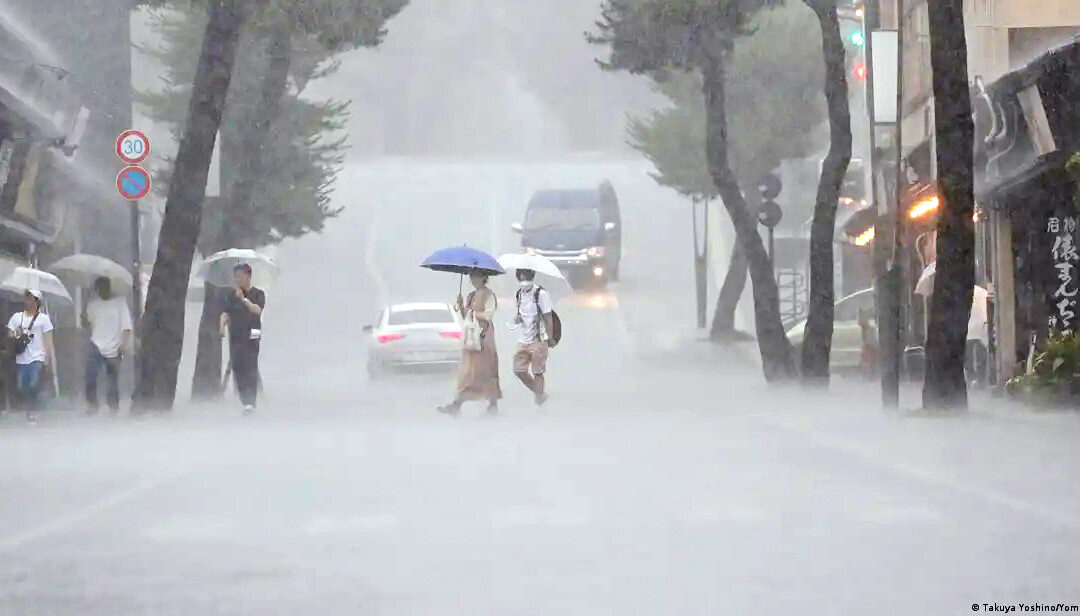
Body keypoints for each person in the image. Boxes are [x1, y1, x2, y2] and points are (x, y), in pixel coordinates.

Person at [439, 272, 501, 415]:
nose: (473, 279)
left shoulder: (489, 295)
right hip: (470, 336)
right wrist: (461, 306)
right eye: (472, 276)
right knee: (468, 371)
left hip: (484, 336)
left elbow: (488, 315)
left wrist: (471, 312)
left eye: (476, 276)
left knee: (487, 369)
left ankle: (492, 404)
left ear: (484, 278)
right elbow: (464, 316)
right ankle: (457, 404)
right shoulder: (470, 296)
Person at [83, 277, 133, 415]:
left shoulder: (120, 303)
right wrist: (84, 306)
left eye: (104, 288)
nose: (102, 291)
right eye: (99, 288)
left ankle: (113, 407)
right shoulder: (93, 304)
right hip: (96, 344)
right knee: (90, 376)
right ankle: (92, 405)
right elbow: (86, 323)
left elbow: (127, 327)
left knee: (112, 379)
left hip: (115, 347)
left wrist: (123, 344)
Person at [220, 263, 265, 414]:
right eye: (235, 277)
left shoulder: (258, 294)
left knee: (250, 362)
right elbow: (226, 312)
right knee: (237, 364)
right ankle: (245, 399)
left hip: (253, 331)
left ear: (248, 276)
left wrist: (244, 299)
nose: (237, 280)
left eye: (240, 276)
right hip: (236, 333)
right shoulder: (231, 296)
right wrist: (222, 323)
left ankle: (251, 401)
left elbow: (257, 310)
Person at [6, 290, 55, 423]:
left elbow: (48, 340)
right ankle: (30, 406)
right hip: (22, 357)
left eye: (30, 298)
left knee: (34, 383)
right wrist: (18, 334)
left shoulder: (44, 319)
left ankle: (33, 410)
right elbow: (10, 333)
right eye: (26, 298)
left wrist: (47, 359)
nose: (27, 301)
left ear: (37, 301)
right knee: (23, 386)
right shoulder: (17, 317)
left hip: (37, 356)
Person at [512, 268, 554, 406]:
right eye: (521, 278)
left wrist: (550, 337)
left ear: (532, 277)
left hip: (538, 339)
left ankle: (539, 403)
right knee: (519, 370)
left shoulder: (540, 294)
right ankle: (540, 394)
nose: (524, 282)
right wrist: (518, 318)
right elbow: (520, 313)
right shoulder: (519, 294)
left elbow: (548, 317)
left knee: (537, 371)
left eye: (527, 278)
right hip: (523, 339)